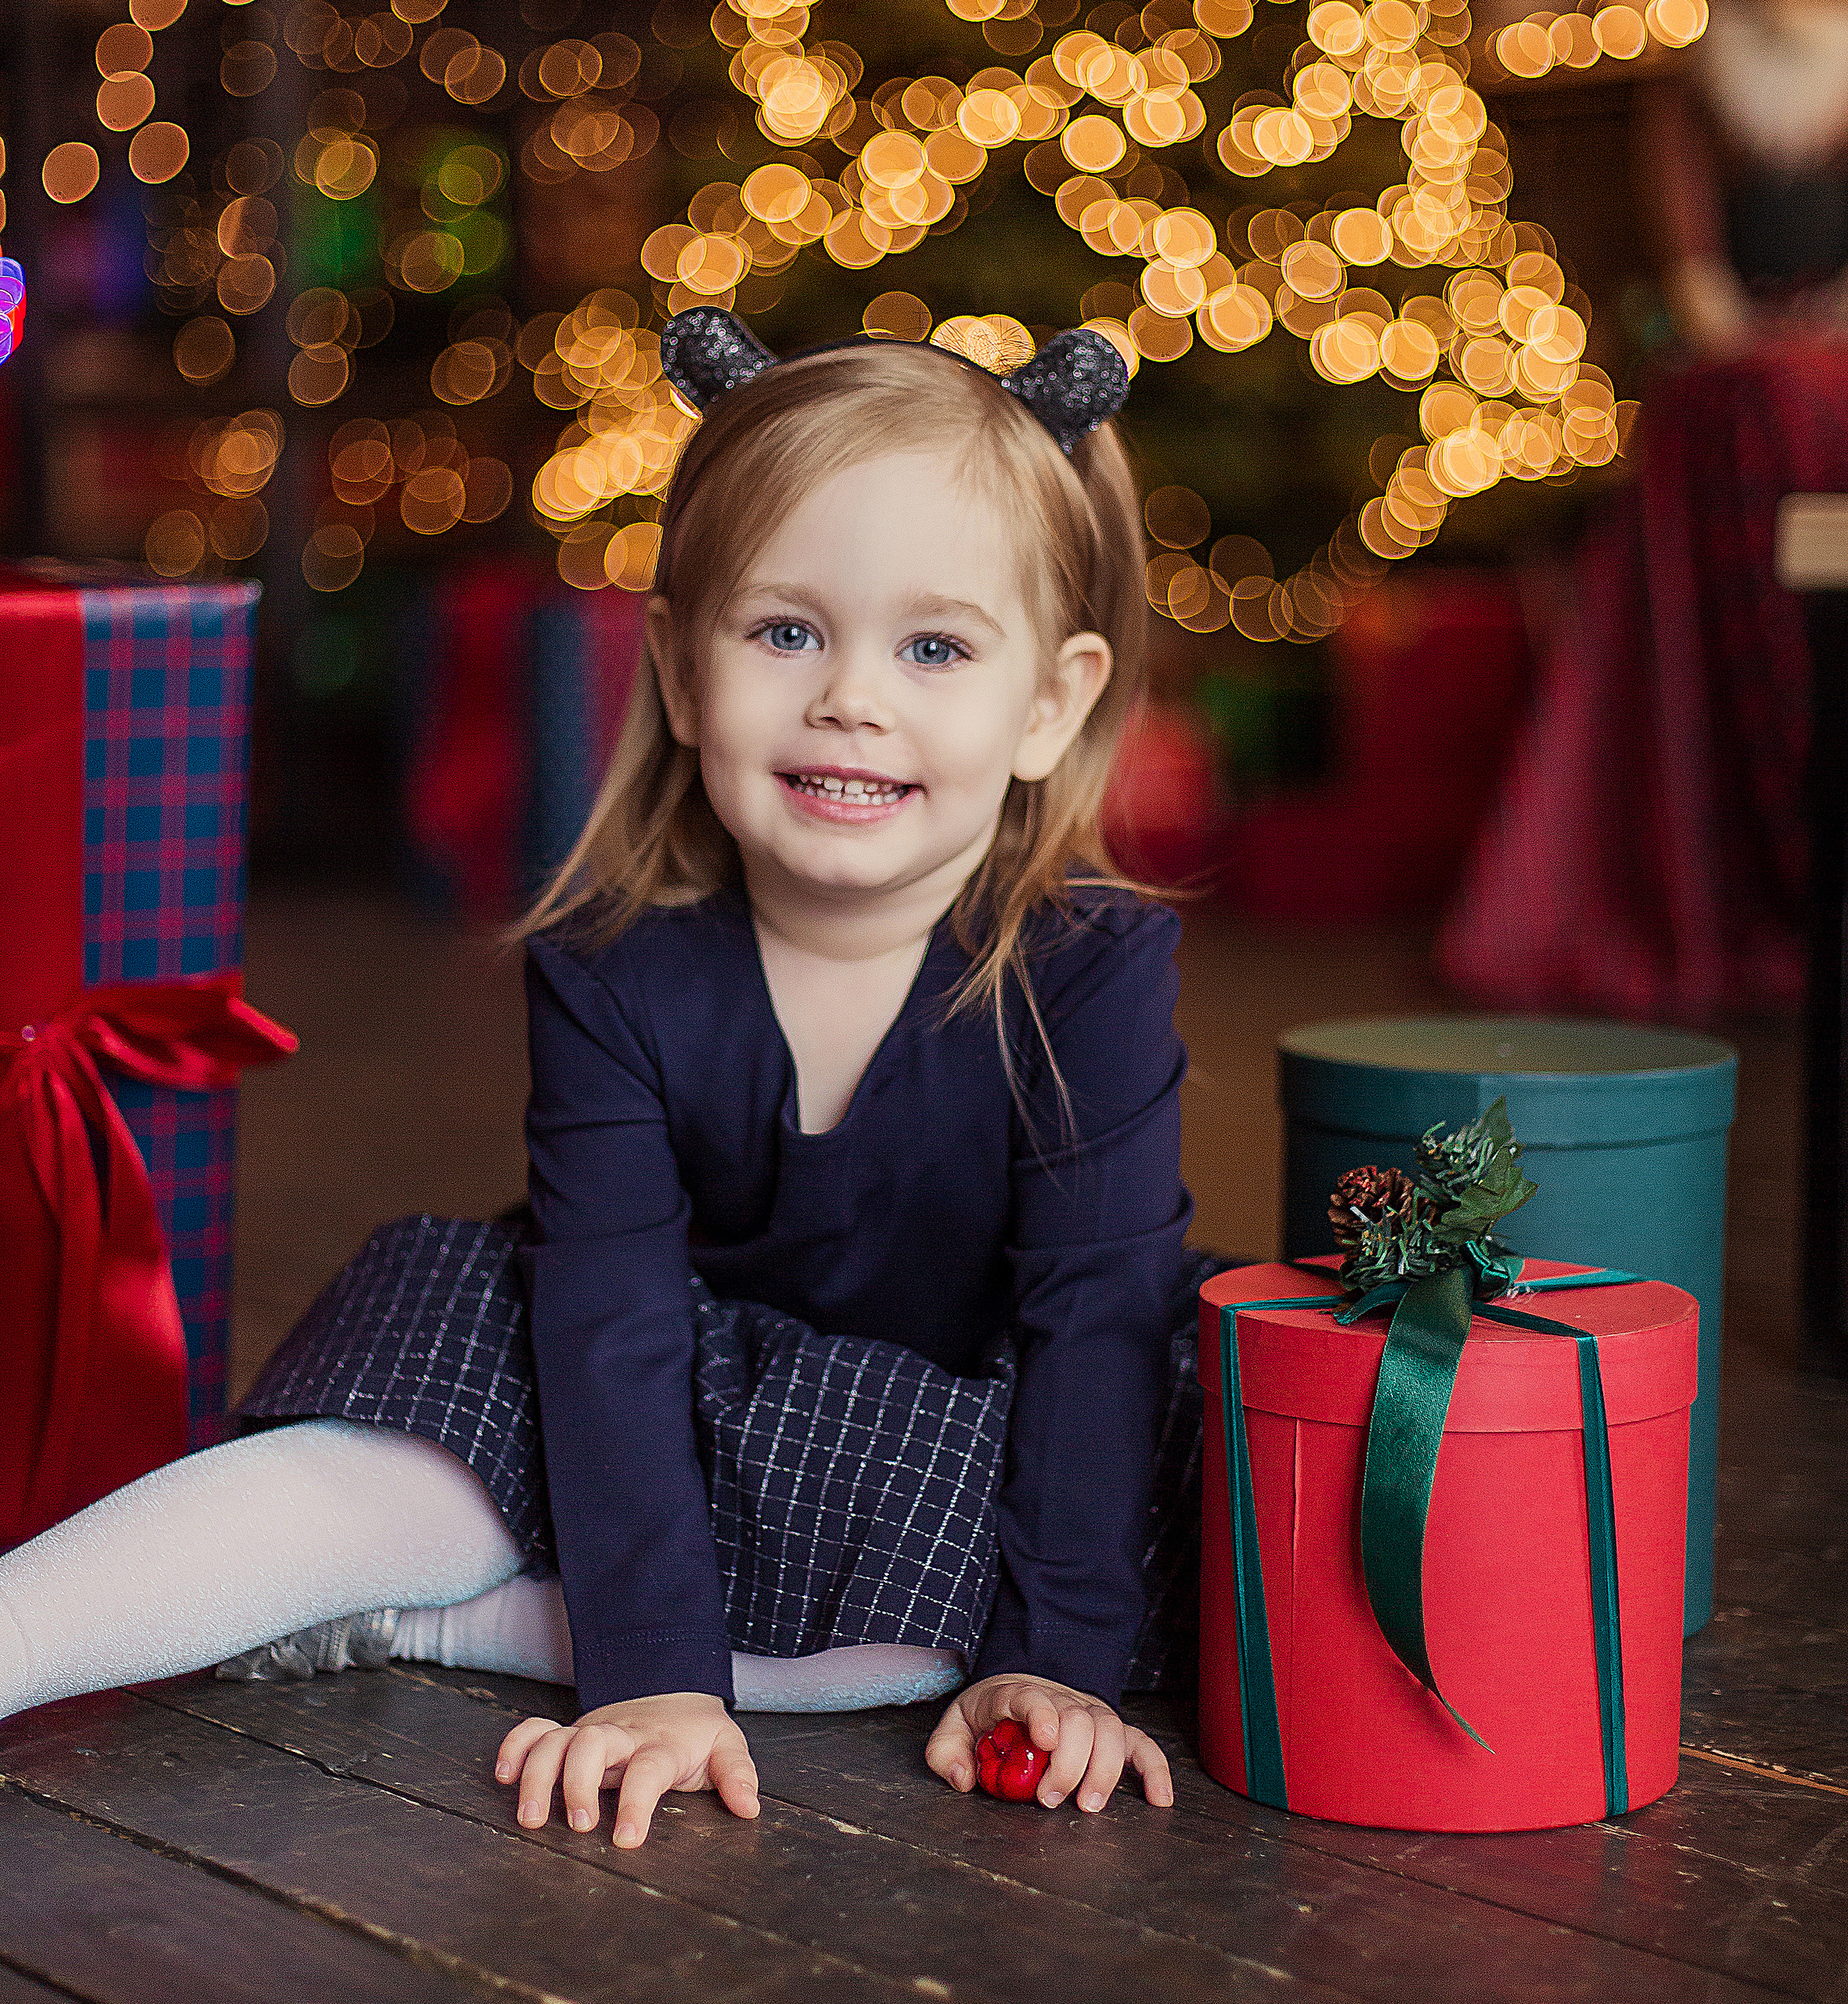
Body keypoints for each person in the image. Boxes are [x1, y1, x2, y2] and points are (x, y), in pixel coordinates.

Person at [0, 308, 1212, 1847]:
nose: (851, 695)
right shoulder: (613, 965)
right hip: (641, 1400)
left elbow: (1091, 1322)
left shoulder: (1086, 972)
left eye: (932, 646)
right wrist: (649, 1676)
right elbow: (612, 1316)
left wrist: (1050, 1661)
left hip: (936, 1438)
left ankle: (464, 1623)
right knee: (412, 1409)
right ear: (685, 671)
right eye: (785, 631)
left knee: (1014, 1572)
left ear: (1047, 699)